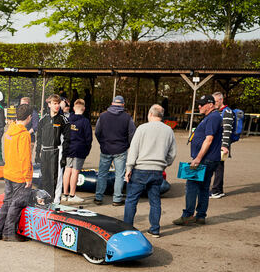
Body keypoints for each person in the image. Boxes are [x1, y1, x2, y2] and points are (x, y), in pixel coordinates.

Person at [123, 105, 177, 238]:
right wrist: (164, 164)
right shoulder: (169, 130)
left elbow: (134, 149)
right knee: (155, 201)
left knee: (131, 200)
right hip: (157, 170)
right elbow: (172, 153)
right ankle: (155, 229)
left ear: (150, 114)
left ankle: (127, 227)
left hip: (141, 169)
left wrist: (129, 168)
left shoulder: (142, 128)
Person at [174, 95, 222, 226]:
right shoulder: (212, 117)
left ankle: (188, 214)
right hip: (209, 159)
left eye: (202, 104)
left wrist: (198, 158)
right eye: (199, 104)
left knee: (191, 185)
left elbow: (209, 139)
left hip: (205, 159)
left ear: (211, 105)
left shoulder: (213, 118)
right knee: (204, 187)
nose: (199, 106)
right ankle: (201, 215)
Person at [0, 104, 34, 242]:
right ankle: (9, 233)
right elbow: (25, 158)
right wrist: (28, 177)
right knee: (16, 205)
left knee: (7, 202)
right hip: (19, 175)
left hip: (9, 171)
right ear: (29, 117)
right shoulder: (24, 135)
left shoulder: (9, 131)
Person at [94, 95, 135, 206]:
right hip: (120, 150)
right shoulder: (127, 117)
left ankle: (98, 197)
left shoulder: (102, 116)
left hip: (106, 149)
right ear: (123, 104)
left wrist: (103, 143)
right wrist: (127, 145)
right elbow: (132, 134)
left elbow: (97, 132)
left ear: (112, 103)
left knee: (102, 174)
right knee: (119, 175)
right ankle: (117, 199)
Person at [61, 98, 92, 204]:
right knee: (75, 171)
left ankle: (64, 194)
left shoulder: (68, 119)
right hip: (80, 149)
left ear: (73, 108)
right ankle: (72, 194)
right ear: (83, 108)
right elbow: (88, 138)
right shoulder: (85, 121)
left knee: (67, 170)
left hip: (69, 148)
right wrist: (87, 150)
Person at [36, 94, 66, 200]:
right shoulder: (43, 120)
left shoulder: (63, 120)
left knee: (55, 178)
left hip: (57, 151)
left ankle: (56, 200)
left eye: (58, 103)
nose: (57, 106)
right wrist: (37, 153)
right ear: (49, 104)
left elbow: (67, 140)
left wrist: (64, 157)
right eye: (54, 104)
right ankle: (46, 200)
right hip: (45, 152)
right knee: (45, 178)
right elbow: (38, 138)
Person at [210, 92, 235, 199]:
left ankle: (216, 190)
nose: (213, 104)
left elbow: (227, 130)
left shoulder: (227, 112)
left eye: (215, 101)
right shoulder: (218, 112)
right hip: (217, 143)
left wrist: (224, 146)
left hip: (222, 144)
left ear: (221, 100)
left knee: (218, 167)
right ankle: (218, 190)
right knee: (218, 167)